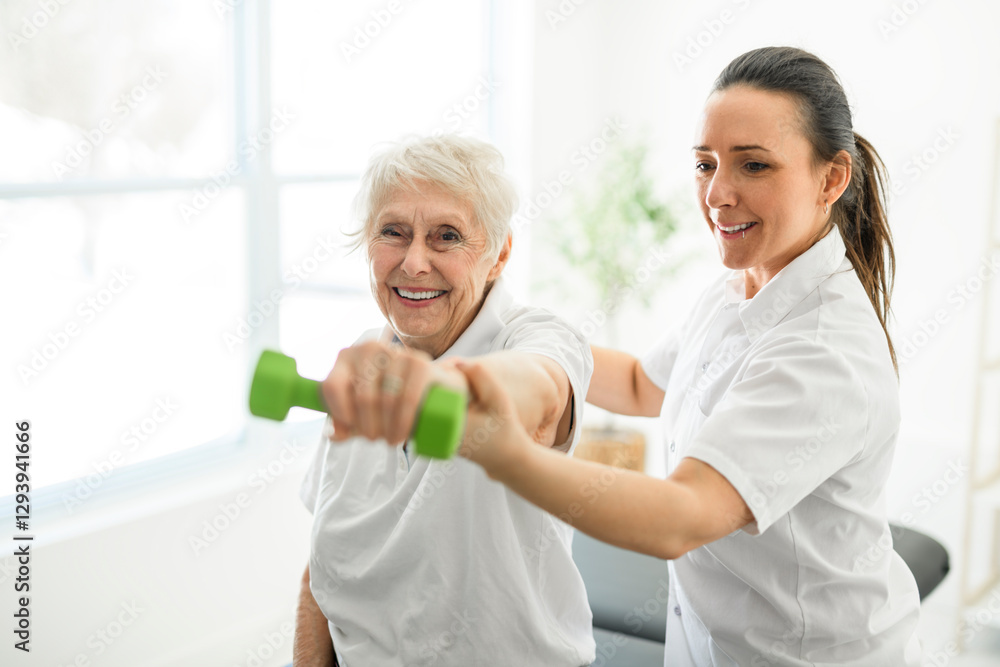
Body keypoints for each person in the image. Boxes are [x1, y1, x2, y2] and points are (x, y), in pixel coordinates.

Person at [451, 47, 924, 666]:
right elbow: (641, 386)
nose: (718, 194)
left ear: (831, 178)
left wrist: (501, 451)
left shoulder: (823, 349)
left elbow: (681, 514)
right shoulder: (738, 291)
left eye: (754, 166)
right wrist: (500, 327)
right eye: (705, 165)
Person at [293, 134, 596, 666]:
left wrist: (434, 388)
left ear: (498, 254)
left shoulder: (539, 340)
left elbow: (538, 396)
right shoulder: (366, 354)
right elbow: (322, 567)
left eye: (446, 236)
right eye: (394, 232)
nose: (413, 263)